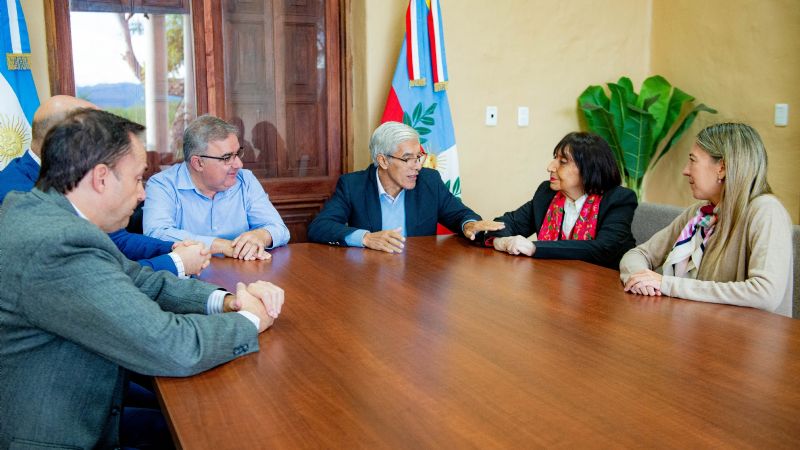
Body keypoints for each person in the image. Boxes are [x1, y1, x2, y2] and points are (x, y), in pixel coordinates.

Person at [0, 109, 285, 449]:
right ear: (101, 178)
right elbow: (172, 346)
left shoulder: (45, 214)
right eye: (137, 179)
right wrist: (251, 319)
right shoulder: (59, 245)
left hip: (89, 397)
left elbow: (141, 280)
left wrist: (226, 301)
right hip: (61, 432)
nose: (142, 195)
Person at [0, 95, 210, 277]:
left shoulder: (75, 177)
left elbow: (114, 239)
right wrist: (177, 262)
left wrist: (171, 248)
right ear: (63, 139)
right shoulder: (16, 195)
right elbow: (89, 276)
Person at [620, 123, 793, 316]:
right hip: (697, 328)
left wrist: (669, 285)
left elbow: (765, 294)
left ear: (722, 168)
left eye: (693, 161)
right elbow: (638, 254)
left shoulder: (766, 211)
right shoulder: (700, 213)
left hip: (747, 340)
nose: (686, 170)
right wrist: (640, 279)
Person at [307, 121, 504, 253]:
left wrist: (468, 224)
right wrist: (366, 238)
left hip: (419, 275)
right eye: (408, 159)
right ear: (383, 160)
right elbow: (320, 227)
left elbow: (459, 215)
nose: (417, 165)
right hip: (370, 278)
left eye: (418, 157)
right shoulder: (353, 185)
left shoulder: (429, 181)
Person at [144, 114, 290, 261]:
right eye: (227, 158)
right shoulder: (163, 185)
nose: (239, 164)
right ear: (198, 163)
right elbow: (156, 233)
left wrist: (261, 235)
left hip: (243, 273)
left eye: (238, 153)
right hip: (189, 278)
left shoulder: (245, 180)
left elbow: (280, 229)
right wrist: (220, 245)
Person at [482, 132, 637, 268]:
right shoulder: (547, 193)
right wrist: (501, 241)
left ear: (589, 168)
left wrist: (535, 248)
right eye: (555, 159)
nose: (550, 167)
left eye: (562, 162)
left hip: (605, 289)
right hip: (553, 280)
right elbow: (507, 223)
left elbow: (603, 249)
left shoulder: (618, 199)